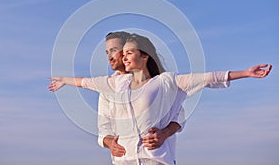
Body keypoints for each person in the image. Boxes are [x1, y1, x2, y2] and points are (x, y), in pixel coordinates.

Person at [48, 33, 272, 164]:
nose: (114, 56)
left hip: (155, 160)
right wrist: (109, 143)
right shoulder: (113, 84)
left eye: (120, 50)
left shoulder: (165, 82)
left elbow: (206, 79)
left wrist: (245, 73)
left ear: (143, 55)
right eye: (110, 52)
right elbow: (87, 88)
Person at [99, 32, 184, 162]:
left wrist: (164, 134)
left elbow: (179, 116)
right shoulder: (108, 88)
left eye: (114, 50)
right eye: (107, 52)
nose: (109, 57)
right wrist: (110, 143)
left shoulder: (158, 84)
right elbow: (103, 129)